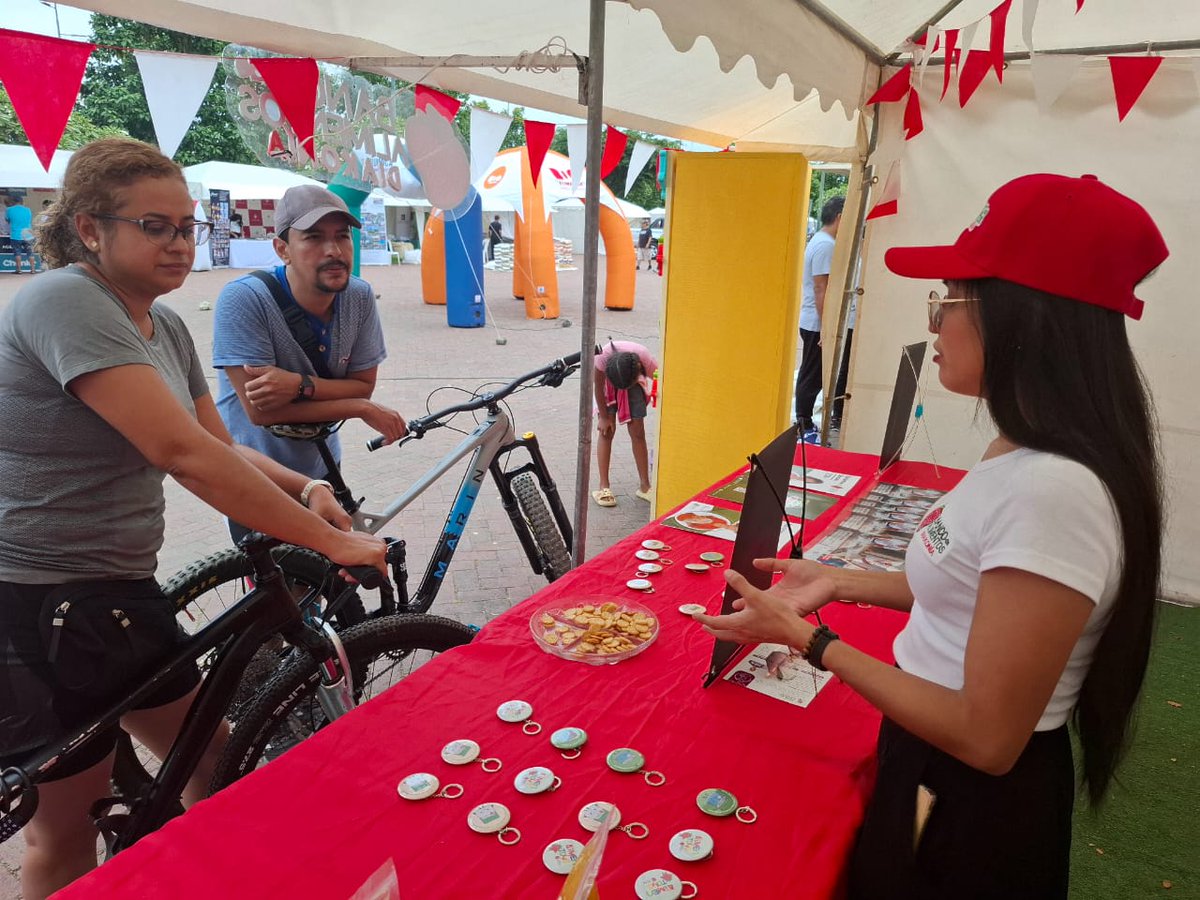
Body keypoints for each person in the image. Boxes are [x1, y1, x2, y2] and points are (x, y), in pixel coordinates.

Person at [696, 173, 1167, 899]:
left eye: (947, 302)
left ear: (1022, 321)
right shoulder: (1022, 445)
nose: (934, 325)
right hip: (930, 759)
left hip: (968, 803)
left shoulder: (1055, 491)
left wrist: (813, 641)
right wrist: (839, 581)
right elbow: (971, 584)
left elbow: (985, 736)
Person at [0, 138, 386, 899]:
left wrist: (306, 493)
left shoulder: (165, 327)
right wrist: (332, 541)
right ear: (89, 229)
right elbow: (180, 453)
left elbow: (220, 444)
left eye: (187, 226)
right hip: (33, 600)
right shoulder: (64, 301)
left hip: (117, 591)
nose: (179, 243)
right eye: (155, 226)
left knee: (211, 765)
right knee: (62, 829)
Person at [212, 184, 406, 543]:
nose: (333, 250)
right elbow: (262, 412)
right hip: (258, 475)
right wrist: (359, 407)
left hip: (323, 465)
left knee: (332, 583)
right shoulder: (244, 300)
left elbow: (364, 383)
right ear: (282, 249)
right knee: (280, 592)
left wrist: (298, 386)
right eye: (314, 238)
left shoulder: (358, 296)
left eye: (342, 236)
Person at [795, 196, 844, 443]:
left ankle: (804, 420)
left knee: (811, 370)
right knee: (812, 373)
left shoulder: (823, 241)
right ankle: (803, 421)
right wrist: (827, 327)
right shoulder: (826, 245)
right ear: (839, 217)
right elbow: (820, 288)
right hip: (816, 321)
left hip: (813, 319)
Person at [591, 340, 658, 507]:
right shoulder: (601, 357)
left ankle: (645, 486)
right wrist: (604, 417)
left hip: (633, 383)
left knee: (638, 433)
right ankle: (604, 486)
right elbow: (598, 386)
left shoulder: (644, 358)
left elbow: (661, 378)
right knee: (606, 431)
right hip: (609, 386)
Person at [5, 195, 35, 275]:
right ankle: (33, 270)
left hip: (16, 235)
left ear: (13, 202)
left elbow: (7, 220)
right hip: (28, 234)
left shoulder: (9, 210)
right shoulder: (28, 210)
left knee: (17, 253)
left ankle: (19, 270)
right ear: (22, 202)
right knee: (30, 252)